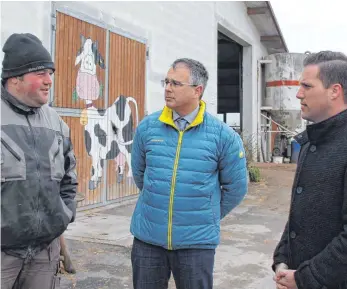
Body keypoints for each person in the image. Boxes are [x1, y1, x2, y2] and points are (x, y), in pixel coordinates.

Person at [130, 58, 248, 289]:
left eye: (175, 83)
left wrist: (206, 214)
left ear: (198, 90)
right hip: (148, 239)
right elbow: (140, 174)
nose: (167, 88)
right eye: (166, 81)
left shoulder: (223, 136)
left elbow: (236, 188)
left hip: (197, 244)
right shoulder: (147, 127)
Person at [1, 33, 78, 289]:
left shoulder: (56, 123)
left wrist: (63, 216)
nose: (49, 81)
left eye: (50, 73)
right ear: (15, 79)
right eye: (41, 73)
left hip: (44, 255)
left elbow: (69, 179)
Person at [272, 51, 347, 289]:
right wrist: (282, 258)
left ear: (334, 91)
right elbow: (300, 214)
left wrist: (305, 278)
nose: (298, 94)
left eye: (306, 86)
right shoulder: (311, 142)